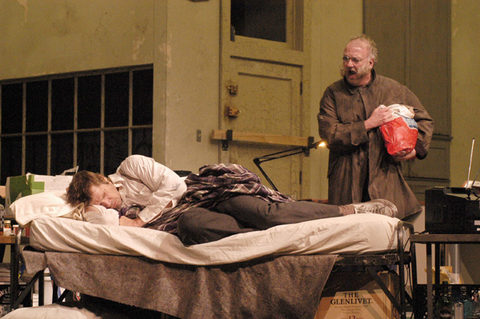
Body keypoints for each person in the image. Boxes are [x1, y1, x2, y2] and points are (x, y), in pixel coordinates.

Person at [66, 155, 399, 245]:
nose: (110, 202)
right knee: (190, 224)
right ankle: (263, 239)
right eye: (103, 204)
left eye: (105, 195)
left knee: (266, 214)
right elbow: (101, 221)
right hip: (192, 214)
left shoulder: (130, 166)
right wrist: (104, 211)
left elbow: (172, 185)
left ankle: (352, 211)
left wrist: (141, 219)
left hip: (207, 192)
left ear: (102, 179)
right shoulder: (111, 212)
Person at [318, 34, 435, 220]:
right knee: (350, 239)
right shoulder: (333, 93)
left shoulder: (393, 89)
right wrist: (368, 124)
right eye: (346, 58)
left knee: (390, 242)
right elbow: (329, 134)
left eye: (355, 60)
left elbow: (424, 121)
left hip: (386, 182)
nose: (349, 64)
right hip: (346, 183)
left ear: (371, 63)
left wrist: (415, 149)